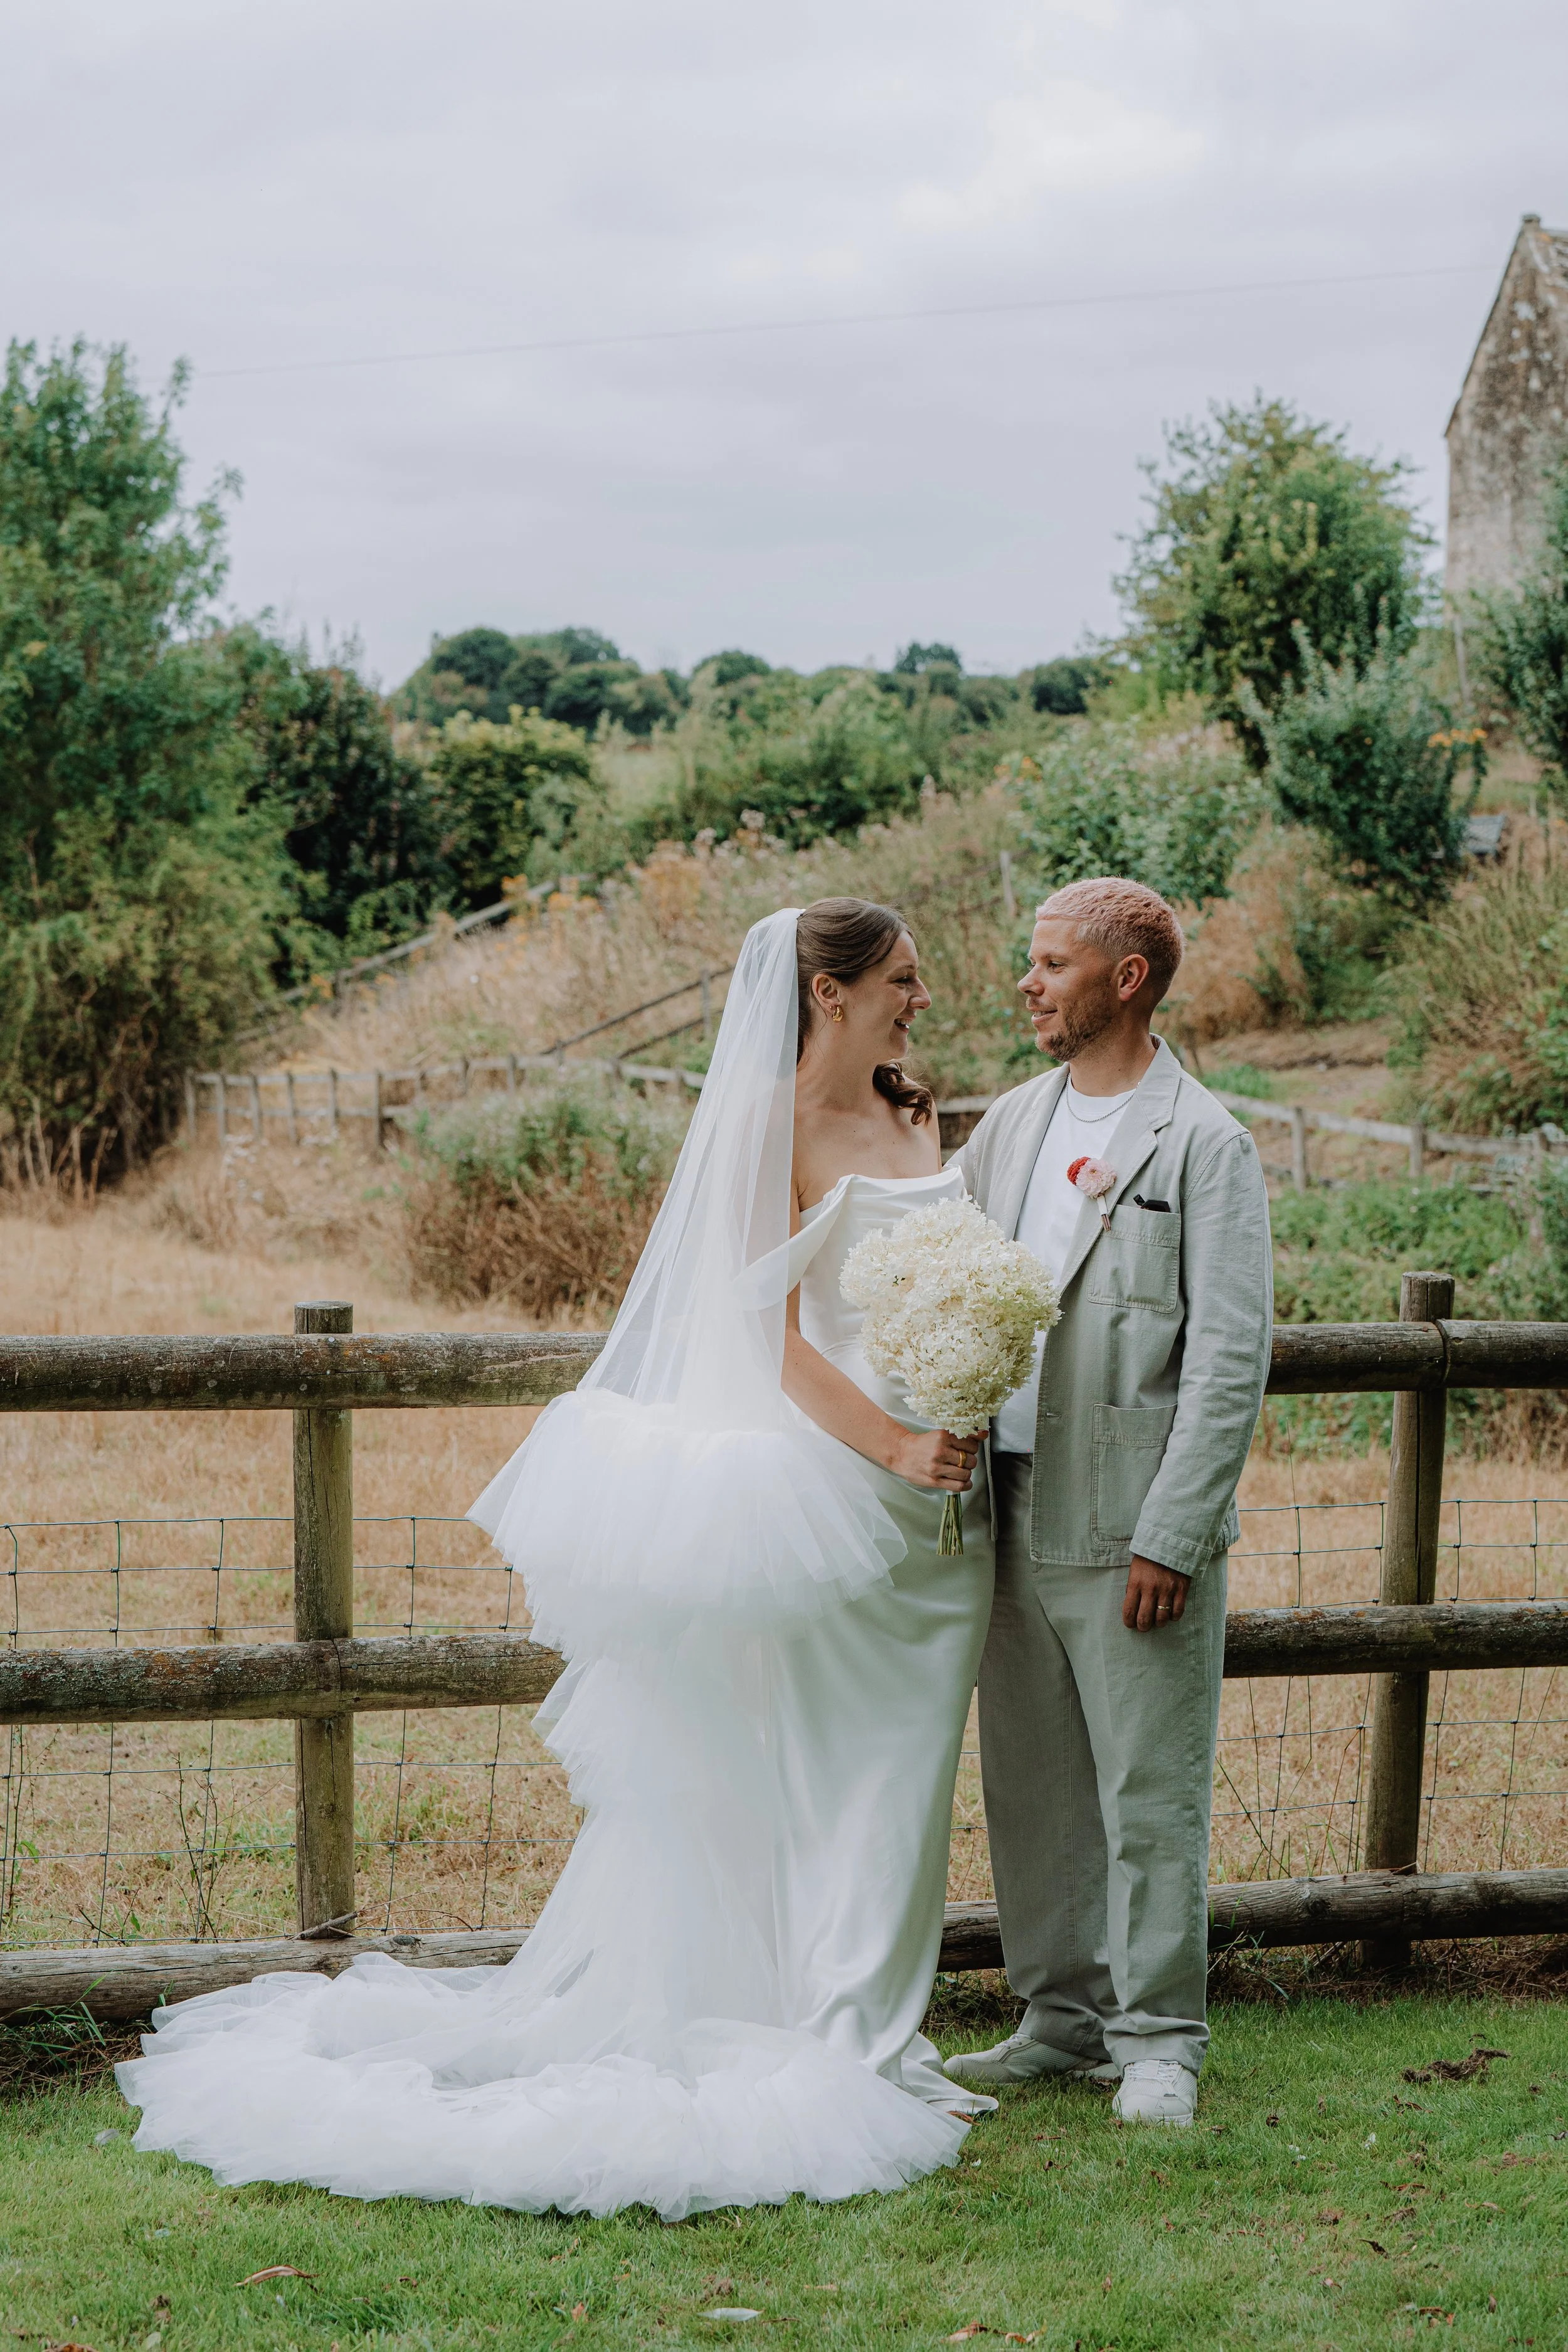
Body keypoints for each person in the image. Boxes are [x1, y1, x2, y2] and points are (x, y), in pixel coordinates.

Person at [117, 899, 998, 2220]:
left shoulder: (920, 1111)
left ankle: (875, 2026)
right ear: (826, 992)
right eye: (901, 980)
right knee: (837, 1775)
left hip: (951, 1486)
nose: (920, 1001)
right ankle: (848, 2043)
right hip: (848, 1484)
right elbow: (769, 1341)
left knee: (912, 1777)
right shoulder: (767, 1128)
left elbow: (940, 1280)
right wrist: (890, 1443)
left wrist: (968, 1381)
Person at [944, 877, 1271, 2127]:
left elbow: (1229, 1355)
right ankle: (1058, 2019)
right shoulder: (1008, 1128)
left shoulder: (1202, 1143)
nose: (1026, 983)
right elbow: (963, 1296)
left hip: (1132, 1524)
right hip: (1004, 1510)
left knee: (1146, 1789)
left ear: (1125, 977)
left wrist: (1173, 1532)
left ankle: (1157, 2041)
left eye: (1049, 964)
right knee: (1030, 1784)